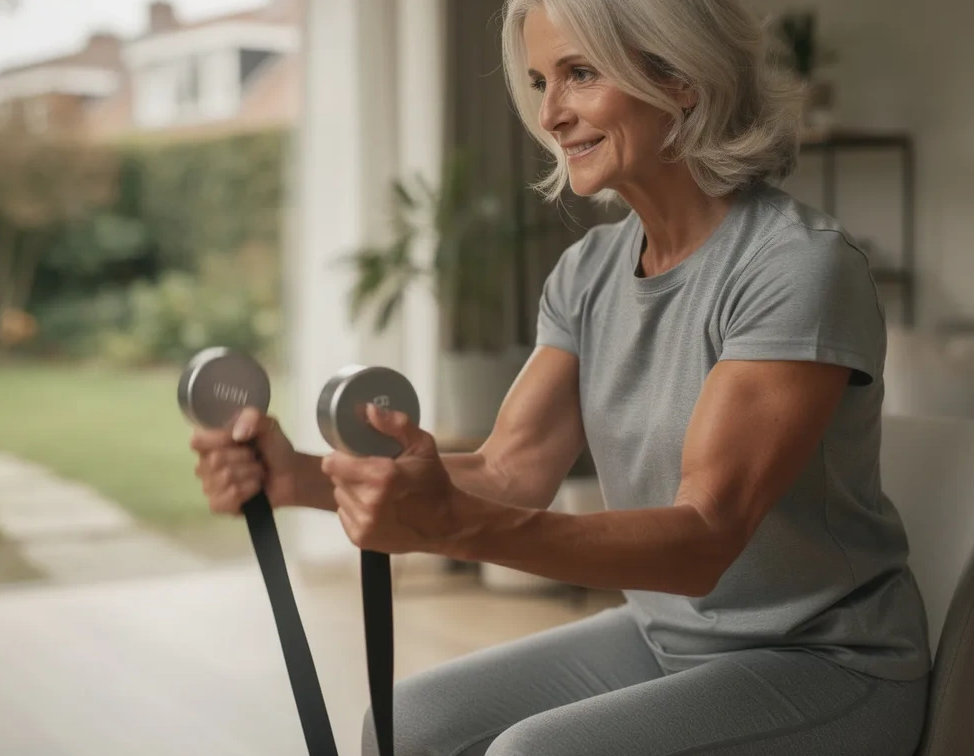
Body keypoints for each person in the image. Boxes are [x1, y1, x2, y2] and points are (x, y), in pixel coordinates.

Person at [189, 0, 932, 753]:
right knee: (406, 725)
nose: (550, 115)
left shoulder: (795, 267)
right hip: (665, 637)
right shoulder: (589, 273)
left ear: (680, 79)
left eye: (579, 74)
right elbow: (508, 471)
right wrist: (296, 479)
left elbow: (704, 539)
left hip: (825, 663)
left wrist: (455, 524)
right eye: (542, 81)